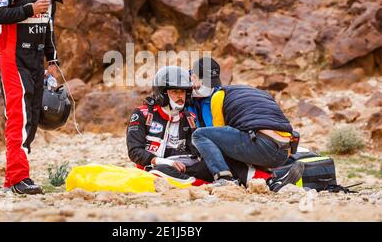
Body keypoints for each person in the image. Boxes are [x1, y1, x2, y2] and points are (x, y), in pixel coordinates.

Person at [0, 0, 61, 194]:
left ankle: (13, 179)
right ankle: (19, 178)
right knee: (17, 115)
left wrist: (52, 59)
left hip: (36, 59)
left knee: (33, 115)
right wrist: (29, 9)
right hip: (12, 55)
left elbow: (49, 26)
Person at [190, 57, 304, 192]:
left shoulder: (218, 96)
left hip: (263, 145)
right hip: (284, 152)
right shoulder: (257, 93)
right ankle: (273, 180)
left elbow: (219, 132)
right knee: (244, 143)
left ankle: (224, 179)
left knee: (200, 135)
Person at [126, 66, 213, 185]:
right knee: (160, 172)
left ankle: (189, 182)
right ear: (162, 93)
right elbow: (134, 151)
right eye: (174, 92)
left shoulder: (189, 117)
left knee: (214, 164)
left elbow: (196, 151)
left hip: (184, 168)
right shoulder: (142, 113)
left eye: (182, 92)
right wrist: (164, 162)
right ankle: (199, 185)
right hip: (156, 167)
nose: (180, 96)